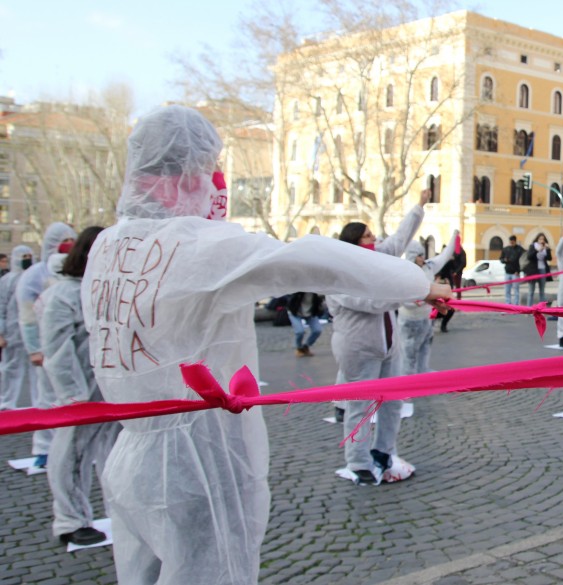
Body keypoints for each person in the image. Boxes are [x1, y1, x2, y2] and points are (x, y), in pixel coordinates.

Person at [80, 105, 446, 584]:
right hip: (196, 458)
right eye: (209, 170)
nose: (216, 185)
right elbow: (309, 259)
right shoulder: (196, 245)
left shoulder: (107, 245)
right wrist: (417, 283)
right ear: (189, 175)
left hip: (130, 454)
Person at [329, 190, 431, 487]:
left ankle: (383, 450)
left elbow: (399, 240)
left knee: (393, 402)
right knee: (360, 406)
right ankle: (357, 461)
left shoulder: (377, 260)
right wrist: (413, 292)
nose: (374, 239)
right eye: (367, 236)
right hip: (359, 348)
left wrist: (419, 206)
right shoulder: (338, 274)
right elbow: (370, 302)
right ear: (354, 243)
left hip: (389, 345)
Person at [41, 226, 121, 547]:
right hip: (80, 389)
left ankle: (119, 512)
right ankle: (71, 519)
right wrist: (71, 397)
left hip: (112, 386)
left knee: (113, 451)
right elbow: (58, 351)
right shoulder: (63, 295)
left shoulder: (104, 289)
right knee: (72, 452)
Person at [17, 222, 76, 469]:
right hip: (46, 346)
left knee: (73, 399)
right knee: (47, 397)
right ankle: (43, 449)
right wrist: (34, 349)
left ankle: (71, 449)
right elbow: (27, 316)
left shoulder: (71, 270)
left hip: (72, 347)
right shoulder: (35, 275)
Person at [400, 231, 458, 376]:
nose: (423, 258)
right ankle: (407, 379)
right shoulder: (404, 271)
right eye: (419, 255)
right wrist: (414, 302)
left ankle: (422, 371)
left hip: (426, 317)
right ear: (412, 256)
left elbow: (444, 256)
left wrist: (454, 236)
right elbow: (402, 296)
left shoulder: (429, 267)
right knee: (409, 352)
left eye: (422, 254)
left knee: (425, 346)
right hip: (410, 320)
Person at [0, 245, 34, 411]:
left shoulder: (35, 277)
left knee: (37, 371)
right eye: (23, 256)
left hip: (33, 331)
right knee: (11, 368)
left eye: (29, 255)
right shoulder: (7, 280)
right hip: (12, 332)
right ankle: (7, 401)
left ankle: (38, 402)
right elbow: (1, 306)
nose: (27, 259)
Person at [436, 236, 466, 333]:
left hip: (449, 282)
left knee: (449, 306)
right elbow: (437, 272)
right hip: (440, 285)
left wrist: (455, 272)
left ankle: (443, 325)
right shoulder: (438, 261)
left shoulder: (457, 254)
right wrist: (441, 278)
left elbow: (461, 264)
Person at [288, 292, 327, 357]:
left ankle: (306, 346)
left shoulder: (316, 293)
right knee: (300, 331)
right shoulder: (298, 292)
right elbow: (290, 299)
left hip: (310, 313)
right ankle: (299, 348)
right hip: (295, 313)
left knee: (317, 330)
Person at [524, 233, 553, 306]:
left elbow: (550, 258)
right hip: (533, 270)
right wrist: (538, 250)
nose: (541, 240)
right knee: (531, 291)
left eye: (543, 239)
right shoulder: (533, 246)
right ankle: (529, 309)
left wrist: (548, 249)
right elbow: (529, 256)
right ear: (537, 239)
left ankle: (542, 309)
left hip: (543, 269)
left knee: (542, 291)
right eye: (540, 239)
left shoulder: (545, 248)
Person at [500, 235, 524, 305]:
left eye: (513, 242)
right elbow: (501, 259)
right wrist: (505, 260)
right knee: (507, 290)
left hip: (515, 273)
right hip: (507, 272)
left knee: (516, 290)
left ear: (515, 241)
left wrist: (519, 271)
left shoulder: (520, 249)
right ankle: (508, 304)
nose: (511, 243)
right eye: (510, 242)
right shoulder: (506, 249)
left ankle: (516, 305)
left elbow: (522, 261)